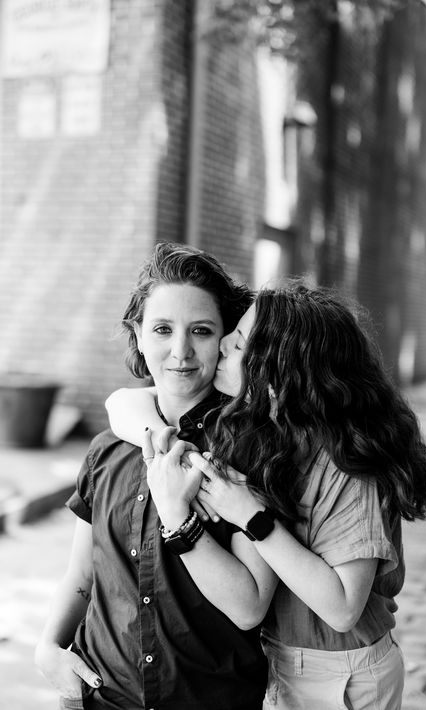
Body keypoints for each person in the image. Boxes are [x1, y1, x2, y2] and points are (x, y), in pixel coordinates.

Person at [107, 281, 426, 710]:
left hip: (342, 675)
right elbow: (122, 402)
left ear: (279, 374)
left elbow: (341, 608)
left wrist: (252, 516)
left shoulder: (348, 465)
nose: (222, 344)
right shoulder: (273, 429)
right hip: (281, 662)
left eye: (238, 342)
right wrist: (162, 444)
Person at [35, 241, 278, 710]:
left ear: (226, 339)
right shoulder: (107, 448)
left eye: (201, 331)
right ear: (138, 335)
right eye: (163, 329)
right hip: (99, 697)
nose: (181, 351)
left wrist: (180, 521)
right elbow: (83, 573)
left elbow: (250, 608)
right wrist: (48, 647)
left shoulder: (252, 452)